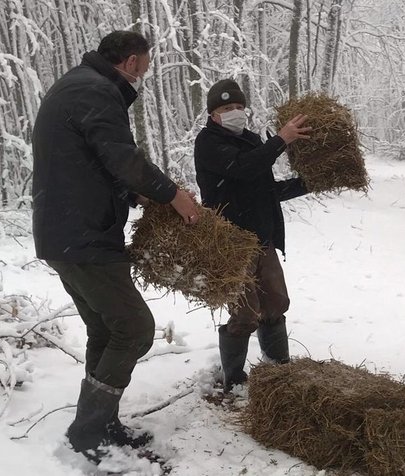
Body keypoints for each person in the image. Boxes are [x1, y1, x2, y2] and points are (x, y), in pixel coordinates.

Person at [31, 30, 200, 461]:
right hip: (82, 236)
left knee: (106, 330)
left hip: (67, 233)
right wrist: (171, 194)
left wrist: (134, 194)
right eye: (145, 64)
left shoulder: (78, 85)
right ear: (131, 62)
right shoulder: (95, 90)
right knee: (135, 328)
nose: (145, 72)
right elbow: (122, 158)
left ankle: (100, 426)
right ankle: (89, 432)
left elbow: (90, 163)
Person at [194, 79, 311, 392]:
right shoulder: (208, 143)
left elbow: (265, 189)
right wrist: (280, 141)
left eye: (238, 106)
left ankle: (278, 373)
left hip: (262, 239)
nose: (235, 112)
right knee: (244, 313)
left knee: (276, 304)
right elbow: (241, 168)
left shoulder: (251, 140)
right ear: (213, 114)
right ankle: (233, 380)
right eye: (226, 108)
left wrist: (307, 184)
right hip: (231, 244)